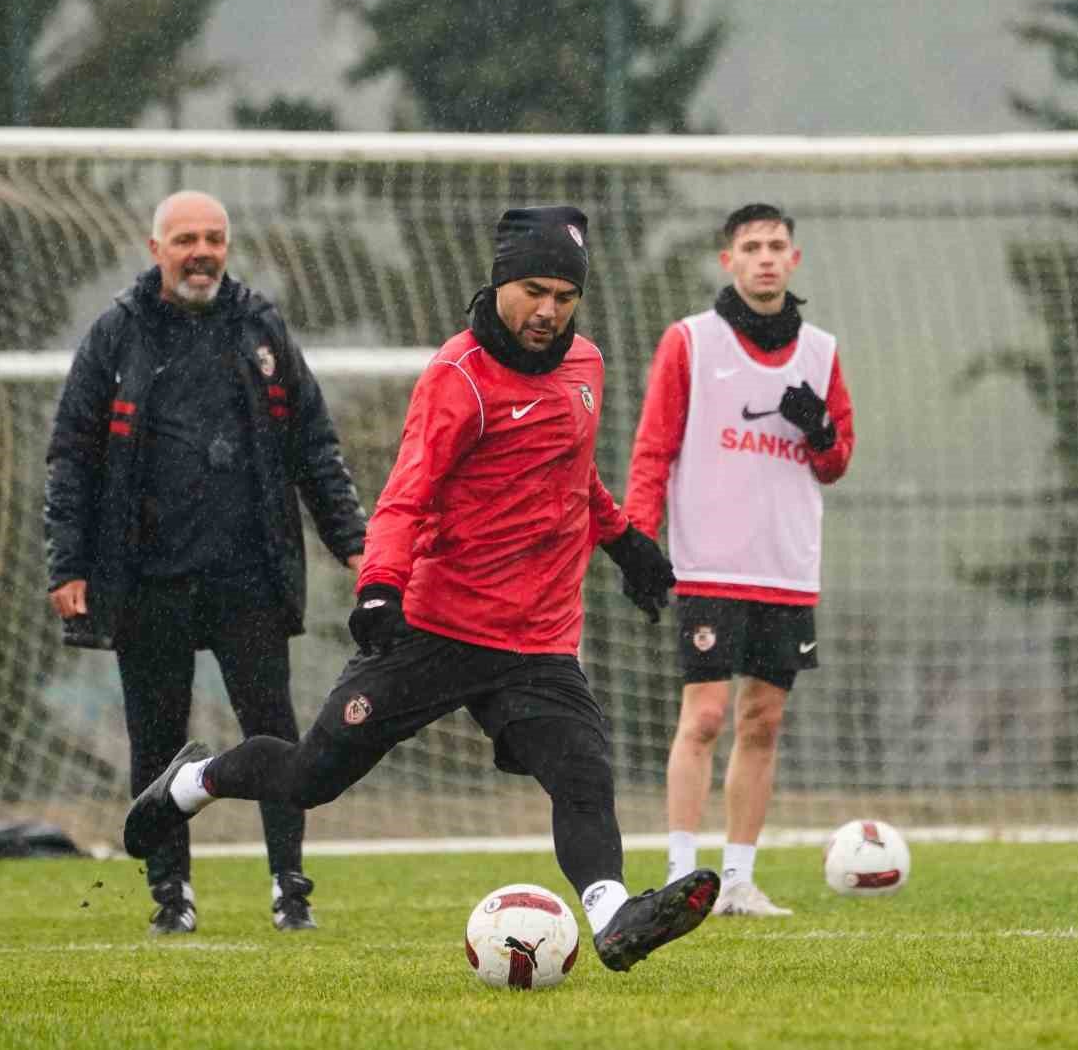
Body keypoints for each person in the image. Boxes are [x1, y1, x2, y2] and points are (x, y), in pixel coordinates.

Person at [123, 205, 720, 971]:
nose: (547, 312)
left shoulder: (586, 369)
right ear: (500, 282)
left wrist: (625, 542)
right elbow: (407, 494)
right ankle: (192, 782)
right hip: (436, 627)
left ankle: (611, 915)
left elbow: (571, 474)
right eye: (533, 291)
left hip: (535, 637)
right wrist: (379, 587)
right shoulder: (458, 378)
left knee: (582, 770)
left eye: (564, 298)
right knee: (311, 777)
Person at [44, 190, 368, 936]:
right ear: (154, 247)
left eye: (215, 237)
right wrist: (69, 565)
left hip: (249, 576)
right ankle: (171, 898)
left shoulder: (261, 328)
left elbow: (314, 447)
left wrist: (353, 543)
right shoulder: (115, 336)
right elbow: (71, 458)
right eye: (187, 237)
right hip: (146, 580)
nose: (202, 251)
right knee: (157, 741)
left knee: (276, 738)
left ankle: (291, 888)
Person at [623, 203, 855, 917]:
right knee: (706, 715)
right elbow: (654, 446)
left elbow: (837, 461)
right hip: (710, 565)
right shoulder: (691, 341)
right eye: (750, 246)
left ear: (795, 259)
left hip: (785, 567)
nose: (764, 257)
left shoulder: (820, 351)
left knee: (764, 721)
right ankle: (679, 872)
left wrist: (818, 429)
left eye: (776, 245)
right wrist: (637, 538)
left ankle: (738, 879)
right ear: (727, 260)